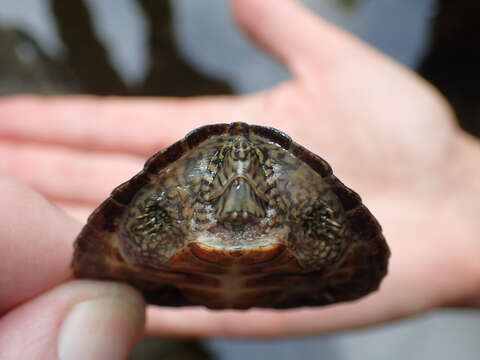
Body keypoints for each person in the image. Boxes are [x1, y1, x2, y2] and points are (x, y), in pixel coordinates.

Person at [1, 0, 479, 358]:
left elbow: (338, 239)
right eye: (219, 167)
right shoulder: (176, 211)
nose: (240, 169)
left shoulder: (303, 217)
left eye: (258, 169)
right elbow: (123, 238)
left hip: (271, 278)